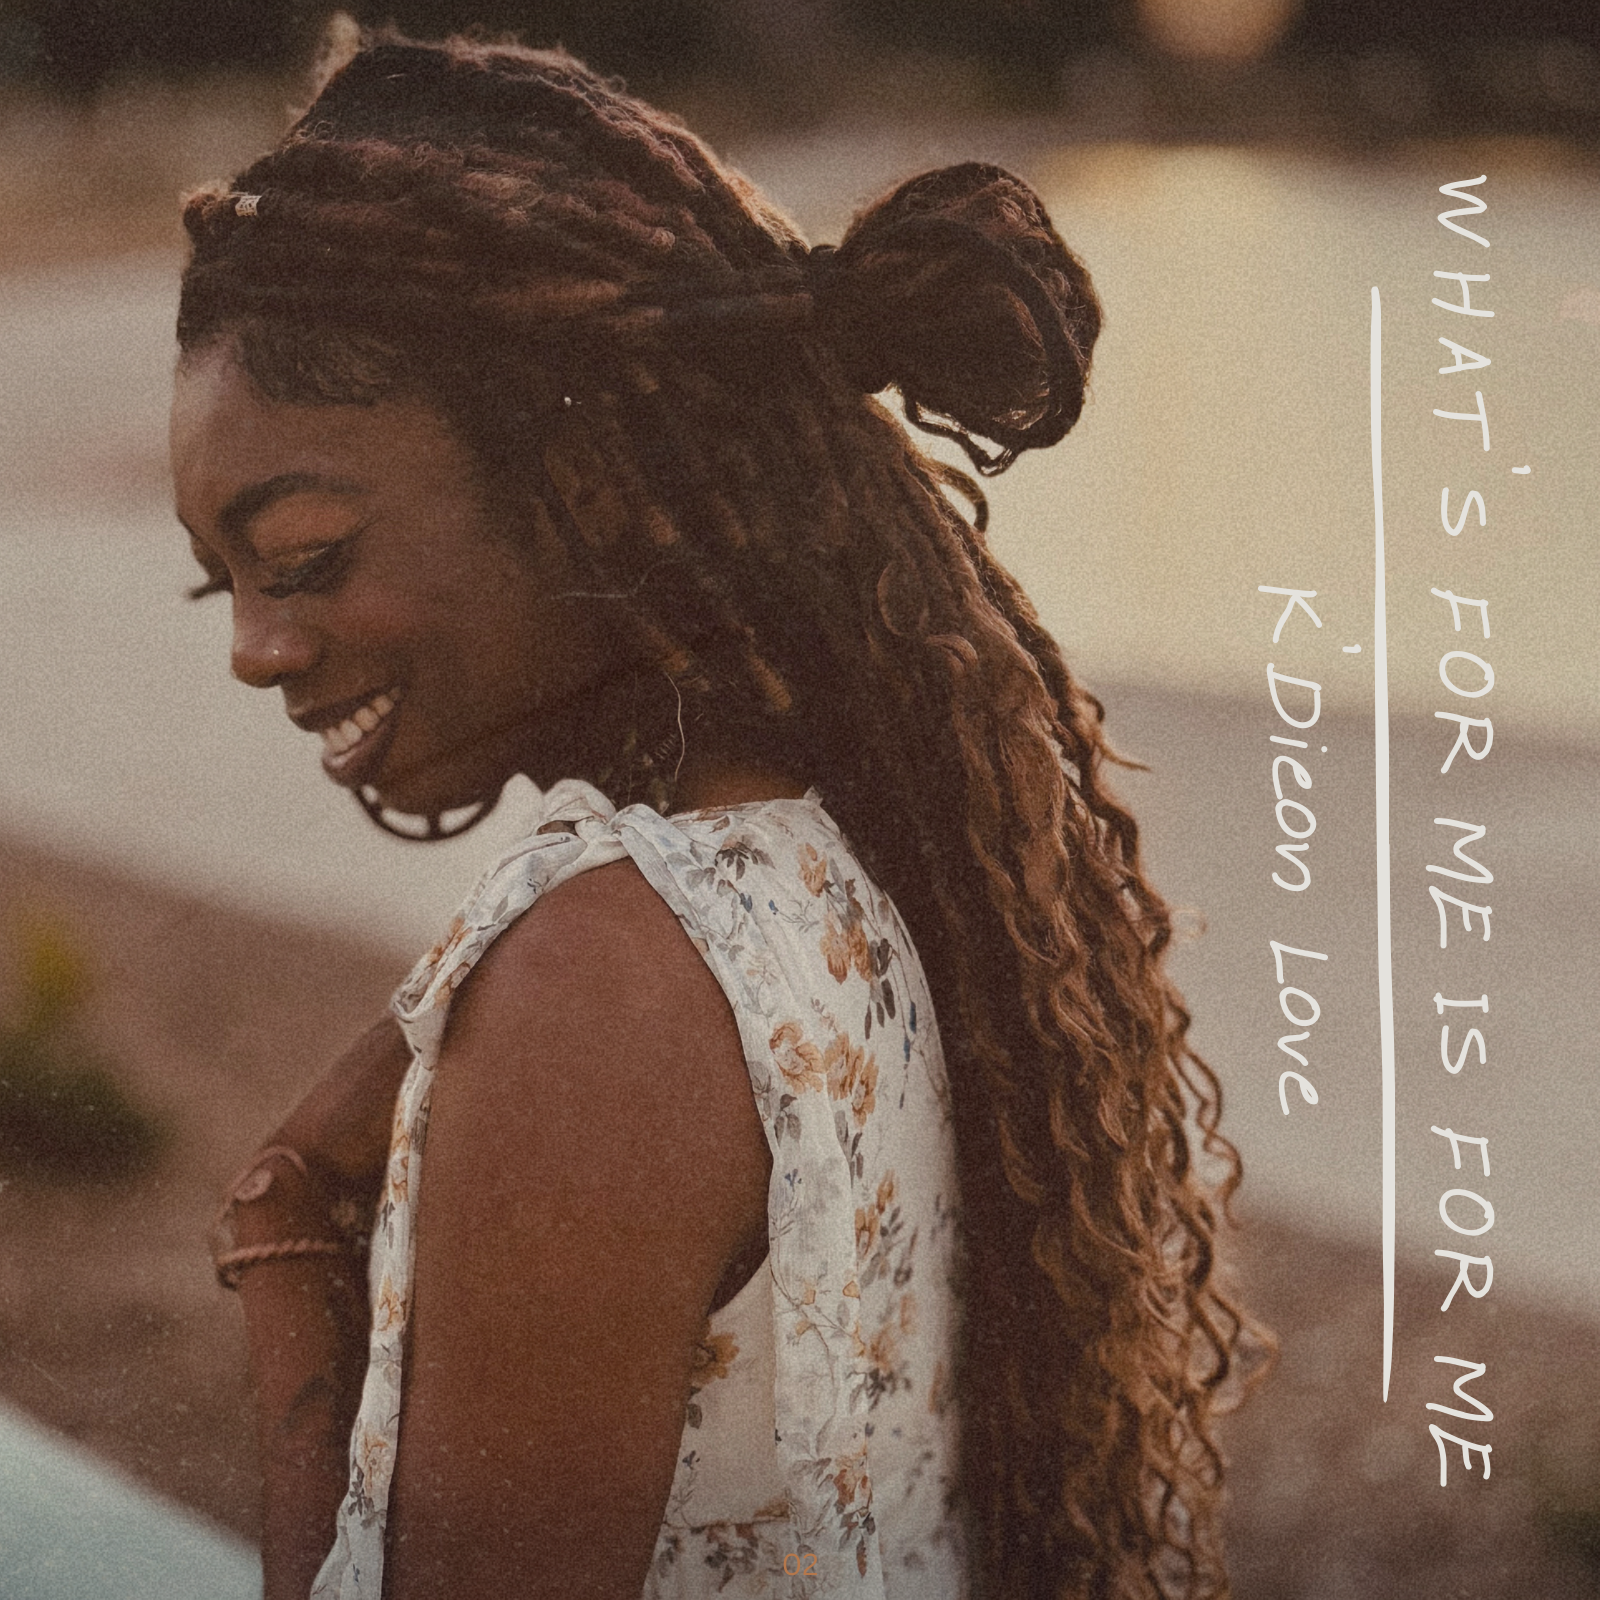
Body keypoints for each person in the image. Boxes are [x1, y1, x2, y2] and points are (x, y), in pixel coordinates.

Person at [176, 32, 1256, 1600]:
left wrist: (285, 1268)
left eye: (307, 558)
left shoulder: (603, 979)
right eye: (227, 582)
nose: (253, 649)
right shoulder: (868, 860)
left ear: (576, 477)